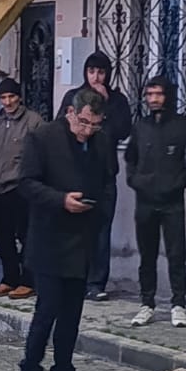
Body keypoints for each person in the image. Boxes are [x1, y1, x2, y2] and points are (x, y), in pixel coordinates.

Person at [16, 87, 110, 371]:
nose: (87, 131)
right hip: (50, 237)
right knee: (48, 308)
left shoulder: (100, 141)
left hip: (83, 237)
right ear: (70, 112)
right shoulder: (42, 137)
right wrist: (60, 200)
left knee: (72, 312)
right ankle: (30, 370)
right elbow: (26, 183)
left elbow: (107, 179)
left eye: (95, 125)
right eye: (83, 123)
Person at [57, 51, 132, 300]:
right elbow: (60, 126)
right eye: (91, 72)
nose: (96, 77)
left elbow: (122, 130)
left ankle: (97, 283)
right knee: (76, 229)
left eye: (101, 72)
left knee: (101, 229)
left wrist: (106, 106)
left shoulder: (117, 99)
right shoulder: (73, 97)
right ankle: (75, 277)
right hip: (76, 173)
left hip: (104, 174)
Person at [124, 74, 186, 327]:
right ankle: (147, 303)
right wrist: (135, 180)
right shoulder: (141, 125)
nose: (153, 99)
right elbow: (130, 157)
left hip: (172, 200)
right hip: (145, 200)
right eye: (149, 95)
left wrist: (178, 183)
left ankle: (178, 304)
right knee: (147, 255)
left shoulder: (182, 125)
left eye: (158, 94)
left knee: (176, 253)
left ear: (168, 96)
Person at [0, 78, 42, 298]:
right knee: (3, 235)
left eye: (11, 97)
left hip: (20, 186)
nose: (7, 102)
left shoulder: (33, 121)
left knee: (27, 235)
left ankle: (28, 281)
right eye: (4, 98)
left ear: (19, 97)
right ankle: (9, 278)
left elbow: (40, 154)